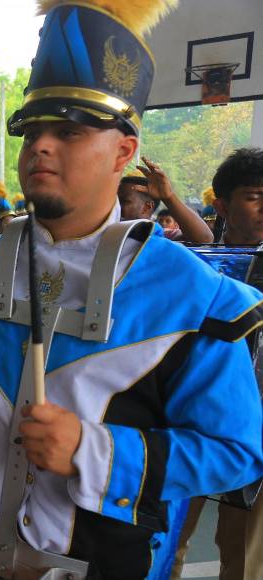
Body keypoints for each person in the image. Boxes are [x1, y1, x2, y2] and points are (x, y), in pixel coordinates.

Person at [0, 2, 263, 577]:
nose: (41, 147)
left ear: (124, 152)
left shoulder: (196, 297)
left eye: (70, 131)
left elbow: (238, 453)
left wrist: (92, 449)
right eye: (33, 130)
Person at [169, 147, 263, 580]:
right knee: (162, 543)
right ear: (221, 204)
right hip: (185, 425)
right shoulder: (191, 268)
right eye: (255, 196)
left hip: (255, 433)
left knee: (243, 558)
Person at [117, 160, 214, 243]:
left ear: (147, 207)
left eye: (124, 201)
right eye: (114, 201)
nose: (116, 206)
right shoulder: (109, 231)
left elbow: (205, 239)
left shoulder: (165, 235)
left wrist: (169, 197)